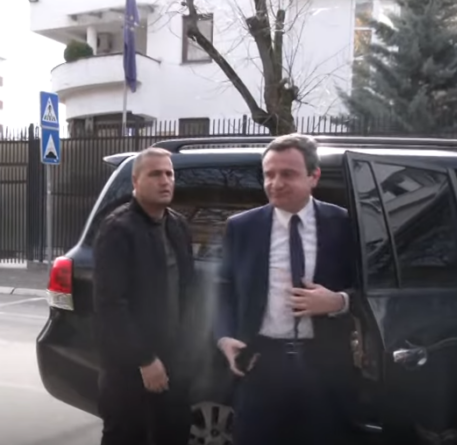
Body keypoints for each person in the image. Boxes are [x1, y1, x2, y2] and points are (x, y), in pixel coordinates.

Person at [215, 134, 357, 445]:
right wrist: (224, 337)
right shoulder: (241, 226)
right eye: (269, 174)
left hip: (326, 367)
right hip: (261, 364)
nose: (275, 183)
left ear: (313, 176)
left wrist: (339, 301)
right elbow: (224, 289)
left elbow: (370, 286)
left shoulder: (343, 223)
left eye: (288, 174)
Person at [93, 147, 195, 445]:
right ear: (136, 181)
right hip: (129, 368)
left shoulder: (178, 225)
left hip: (174, 361)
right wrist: (145, 360)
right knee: (126, 435)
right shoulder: (118, 229)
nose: (165, 180)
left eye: (169, 174)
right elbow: (111, 304)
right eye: (155, 174)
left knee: (173, 432)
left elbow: (188, 289)